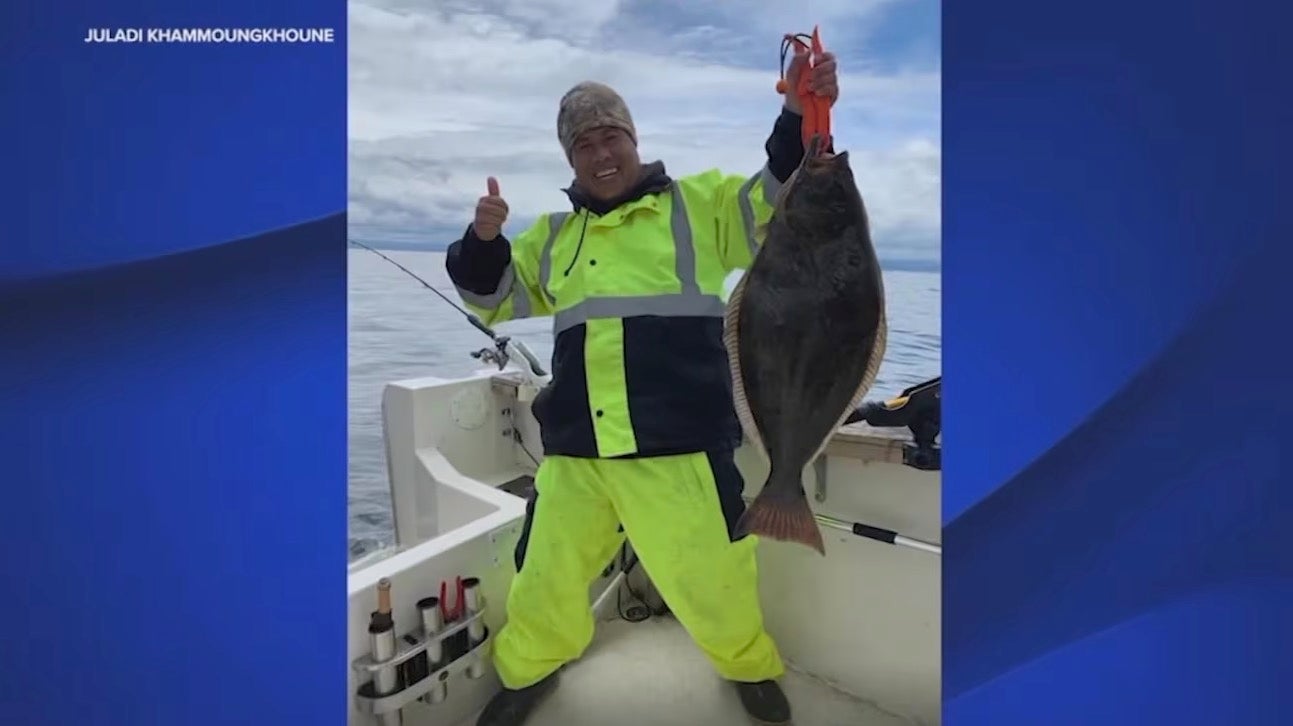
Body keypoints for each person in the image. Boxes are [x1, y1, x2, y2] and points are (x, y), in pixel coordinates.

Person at [444, 47, 839, 726]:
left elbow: (777, 189)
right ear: (569, 159)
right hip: (578, 453)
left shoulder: (700, 207)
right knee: (544, 578)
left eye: (611, 137)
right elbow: (493, 299)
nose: (601, 154)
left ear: (633, 140)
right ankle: (528, 670)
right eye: (583, 144)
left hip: (679, 447)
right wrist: (482, 242)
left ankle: (747, 667)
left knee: (716, 580)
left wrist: (798, 111)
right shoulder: (551, 236)